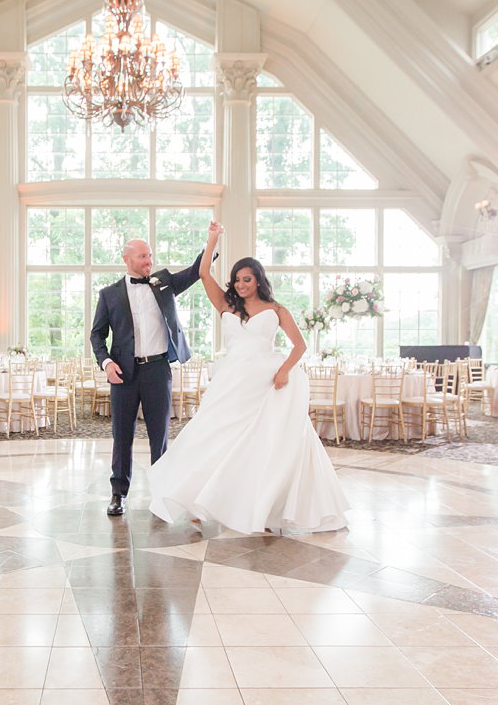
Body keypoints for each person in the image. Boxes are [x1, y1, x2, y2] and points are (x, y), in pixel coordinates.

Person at [148, 221, 349, 534]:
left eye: (246, 279)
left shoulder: (276, 308)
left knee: (263, 445)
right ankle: (197, 501)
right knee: (214, 437)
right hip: (232, 382)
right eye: (237, 280)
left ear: (258, 281)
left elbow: (300, 345)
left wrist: (283, 371)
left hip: (265, 384)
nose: (240, 284)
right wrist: (212, 238)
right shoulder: (226, 304)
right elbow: (203, 273)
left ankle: (264, 508)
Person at [89, 238, 211, 517]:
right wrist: (106, 362)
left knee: (160, 436)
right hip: (123, 373)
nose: (149, 261)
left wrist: (211, 242)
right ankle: (118, 494)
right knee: (122, 436)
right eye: (143, 256)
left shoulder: (163, 283)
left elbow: (195, 271)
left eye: (150, 256)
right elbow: (97, 334)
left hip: (158, 370)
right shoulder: (109, 294)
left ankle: (161, 492)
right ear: (127, 259)